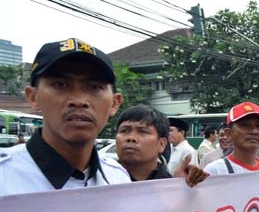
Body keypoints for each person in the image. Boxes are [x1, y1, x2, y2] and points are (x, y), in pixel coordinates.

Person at [0, 38, 129, 196]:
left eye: (94, 87)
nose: (79, 101)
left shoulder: (118, 179)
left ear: (114, 104)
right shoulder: (4, 178)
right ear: (33, 97)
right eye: (60, 85)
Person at [115, 104, 207, 186]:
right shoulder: (103, 180)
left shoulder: (171, 187)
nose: (131, 138)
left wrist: (180, 187)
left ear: (161, 144)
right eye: (124, 130)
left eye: (142, 131)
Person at [204, 101, 259, 175]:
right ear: (229, 133)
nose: (254, 131)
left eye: (258, 126)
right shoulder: (215, 171)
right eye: (245, 126)